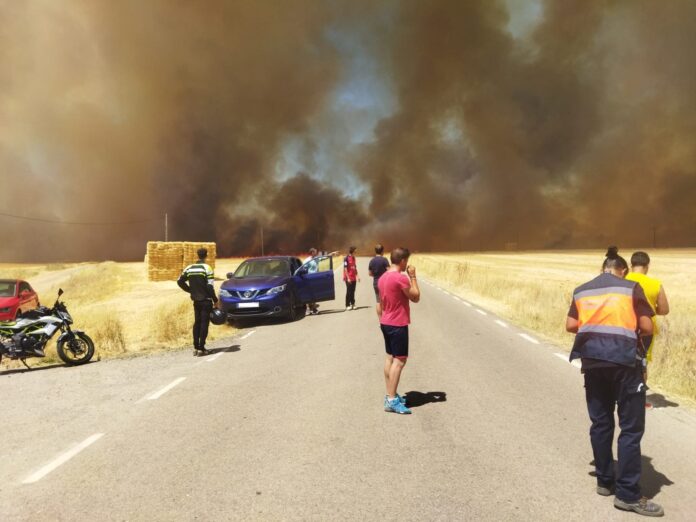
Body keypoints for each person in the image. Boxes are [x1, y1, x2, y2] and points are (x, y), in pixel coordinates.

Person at [566, 247, 663, 517]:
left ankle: (605, 481)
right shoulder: (631, 288)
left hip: (593, 363)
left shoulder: (582, 290)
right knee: (631, 429)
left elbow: (571, 325)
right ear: (624, 270)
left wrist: (595, 325)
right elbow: (647, 327)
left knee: (601, 422)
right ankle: (629, 495)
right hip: (625, 364)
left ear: (602, 269)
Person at [379, 247, 420, 415]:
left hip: (386, 322)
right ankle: (391, 400)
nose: (407, 264)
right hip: (398, 324)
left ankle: (391, 394)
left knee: (390, 358)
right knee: (400, 361)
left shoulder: (383, 277)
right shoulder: (400, 278)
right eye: (406, 261)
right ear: (403, 261)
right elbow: (416, 297)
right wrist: (413, 277)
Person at [625, 251, 670, 370]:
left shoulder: (622, 280)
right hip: (646, 329)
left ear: (631, 265)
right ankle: (640, 386)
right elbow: (664, 310)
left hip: (623, 327)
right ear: (647, 266)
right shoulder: (655, 284)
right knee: (642, 363)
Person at [177, 248, 218, 356]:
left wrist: (190, 290)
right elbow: (209, 287)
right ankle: (202, 348)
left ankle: (195, 348)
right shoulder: (207, 268)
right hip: (206, 301)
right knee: (204, 324)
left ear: (197, 255)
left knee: (197, 323)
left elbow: (179, 281)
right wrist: (215, 300)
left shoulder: (189, 268)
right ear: (206, 256)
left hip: (196, 301)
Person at [368, 243, 390, 317]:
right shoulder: (384, 260)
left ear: (375, 251)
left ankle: (381, 320)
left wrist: (376, 274)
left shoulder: (372, 261)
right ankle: (387, 319)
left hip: (376, 282)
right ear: (382, 251)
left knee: (378, 301)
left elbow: (370, 274)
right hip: (384, 283)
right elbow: (389, 271)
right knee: (386, 301)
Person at [303, 248, 320, 314]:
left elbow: (324, 258)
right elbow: (304, 269)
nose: (316, 253)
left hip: (316, 278)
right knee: (308, 294)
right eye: (315, 252)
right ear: (312, 252)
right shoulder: (307, 260)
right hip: (309, 278)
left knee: (314, 294)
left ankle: (314, 308)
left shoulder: (316, 259)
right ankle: (307, 309)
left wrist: (331, 254)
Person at [343, 246, 359, 311]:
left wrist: (357, 276)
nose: (356, 251)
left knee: (353, 291)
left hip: (353, 277)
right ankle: (347, 305)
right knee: (349, 291)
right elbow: (345, 268)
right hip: (348, 278)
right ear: (352, 251)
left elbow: (354, 267)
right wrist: (348, 278)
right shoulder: (346, 258)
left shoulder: (354, 258)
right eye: (355, 250)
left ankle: (353, 304)